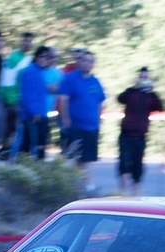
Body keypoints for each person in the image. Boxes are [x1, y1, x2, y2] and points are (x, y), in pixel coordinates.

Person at [57, 51, 105, 191]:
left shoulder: (95, 81)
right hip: (74, 125)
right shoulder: (70, 78)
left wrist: (99, 120)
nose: (87, 63)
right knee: (73, 156)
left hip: (91, 126)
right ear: (80, 62)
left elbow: (100, 102)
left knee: (88, 158)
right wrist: (65, 118)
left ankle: (87, 186)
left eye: (90, 61)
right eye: (84, 60)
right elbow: (63, 99)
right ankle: (72, 185)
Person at [117, 67, 164, 195]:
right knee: (124, 163)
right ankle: (122, 192)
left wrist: (152, 92)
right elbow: (120, 98)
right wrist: (134, 87)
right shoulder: (131, 92)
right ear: (138, 78)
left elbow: (160, 107)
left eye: (145, 78)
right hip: (126, 134)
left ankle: (135, 194)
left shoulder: (150, 96)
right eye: (141, 77)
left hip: (140, 135)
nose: (143, 80)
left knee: (137, 165)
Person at [0, 32, 34, 160]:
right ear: (21, 41)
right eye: (26, 41)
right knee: (9, 127)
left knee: (17, 128)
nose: (28, 43)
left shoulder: (29, 60)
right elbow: (6, 79)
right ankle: (3, 151)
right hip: (12, 99)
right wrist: (9, 99)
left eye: (30, 41)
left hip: (22, 99)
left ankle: (13, 152)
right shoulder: (13, 57)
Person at [17, 46, 57, 159]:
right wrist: (34, 112)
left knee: (40, 146)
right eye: (41, 56)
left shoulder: (40, 72)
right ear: (36, 57)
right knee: (27, 146)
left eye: (47, 57)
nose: (44, 59)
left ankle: (36, 170)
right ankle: (20, 170)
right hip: (32, 115)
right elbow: (26, 95)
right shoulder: (30, 71)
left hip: (42, 113)